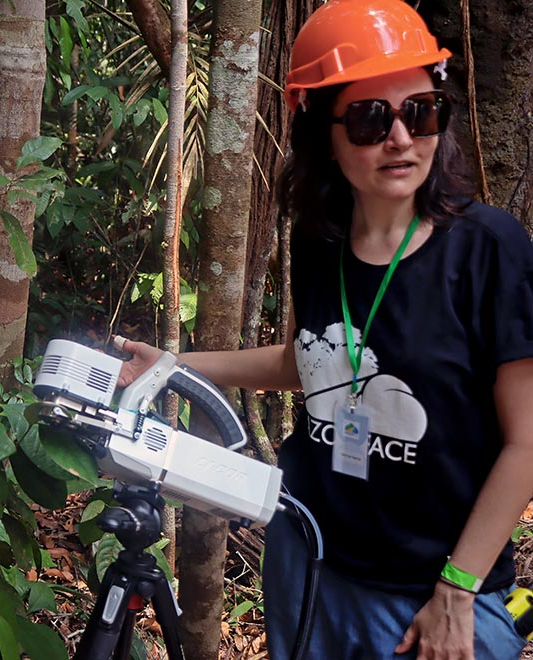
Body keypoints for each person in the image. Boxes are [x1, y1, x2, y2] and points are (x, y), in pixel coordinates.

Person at [116, 1, 533, 658]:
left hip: (430, 590)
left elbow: (527, 443)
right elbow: (313, 360)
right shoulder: (320, 242)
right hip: (310, 559)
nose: (400, 138)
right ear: (325, 134)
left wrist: (457, 590)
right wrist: (175, 364)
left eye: (420, 111)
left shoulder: (489, 249)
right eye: (371, 119)